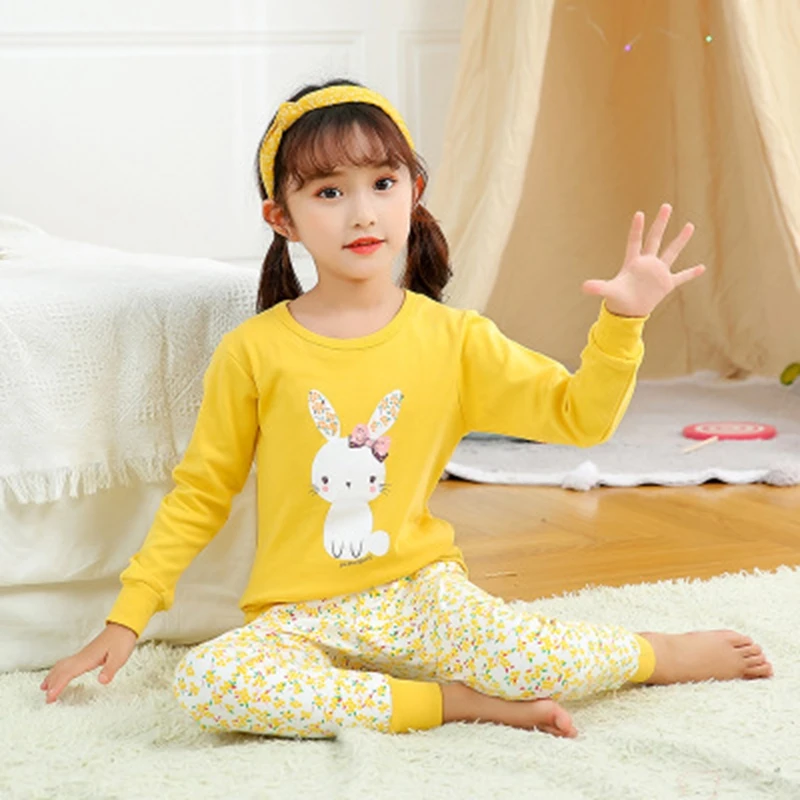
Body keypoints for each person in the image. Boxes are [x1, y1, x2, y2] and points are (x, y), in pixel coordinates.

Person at [40, 79, 773, 739]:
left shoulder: (453, 338)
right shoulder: (254, 351)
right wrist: (127, 619)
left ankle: (655, 654)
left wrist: (623, 323)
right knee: (209, 684)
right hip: (296, 615)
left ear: (413, 191)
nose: (362, 212)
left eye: (382, 183)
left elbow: (581, 418)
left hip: (420, 593)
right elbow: (202, 491)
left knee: (523, 655)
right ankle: (453, 704)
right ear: (282, 217)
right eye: (328, 192)